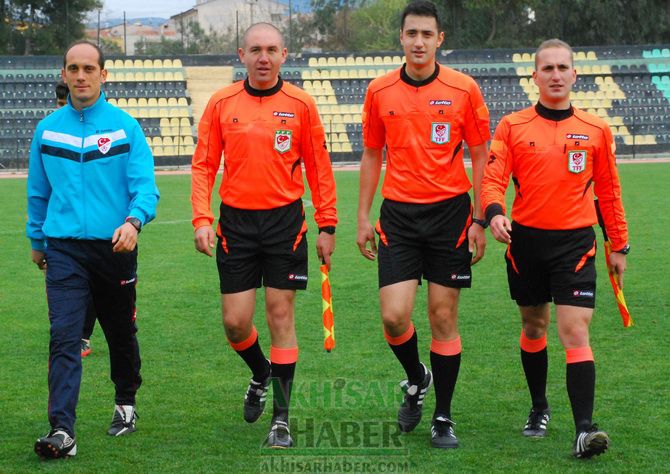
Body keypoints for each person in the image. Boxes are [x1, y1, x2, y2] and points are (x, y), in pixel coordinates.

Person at [191, 22, 337, 448]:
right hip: (235, 223)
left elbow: (319, 167)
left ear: (284, 55)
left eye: (271, 49)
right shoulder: (221, 103)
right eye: (255, 49)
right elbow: (203, 165)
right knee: (236, 324)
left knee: (280, 315)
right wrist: (202, 218)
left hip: (284, 225)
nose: (263, 57)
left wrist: (327, 223)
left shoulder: (302, 104)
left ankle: (281, 419)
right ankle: (260, 373)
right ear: (241, 54)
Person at [481, 39, 628, 459]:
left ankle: (584, 429)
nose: (556, 75)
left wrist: (619, 243)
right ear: (535, 76)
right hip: (524, 241)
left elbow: (610, 192)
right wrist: (494, 213)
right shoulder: (512, 126)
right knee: (534, 327)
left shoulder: (596, 129)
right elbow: (492, 180)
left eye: (564, 67)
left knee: (575, 331)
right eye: (548, 68)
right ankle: (539, 407)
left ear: (575, 74)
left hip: (576, 244)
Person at [356, 0, 490, 449]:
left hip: (450, 214)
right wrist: (362, 215)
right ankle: (416, 377)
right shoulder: (379, 91)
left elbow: (480, 153)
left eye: (426, 35)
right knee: (395, 317)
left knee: (442, 315)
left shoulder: (464, 89)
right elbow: (373, 153)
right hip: (398, 214)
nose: (418, 42)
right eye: (411, 33)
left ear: (439, 40)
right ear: (401, 37)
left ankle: (443, 417)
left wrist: (478, 216)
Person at [27, 40, 159, 459]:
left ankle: (126, 403)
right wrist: (37, 240)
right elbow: (38, 192)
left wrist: (133, 221)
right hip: (63, 249)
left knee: (120, 331)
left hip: (115, 248)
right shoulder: (47, 129)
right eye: (72, 68)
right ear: (63, 75)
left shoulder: (125, 127)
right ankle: (61, 430)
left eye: (88, 68)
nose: (80, 75)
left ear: (104, 75)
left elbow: (145, 188)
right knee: (64, 337)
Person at [55, 78, 97, 357]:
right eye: (58, 102)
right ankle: (70, 334)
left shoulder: (102, 126)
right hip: (61, 228)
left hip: (97, 227)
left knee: (94, 286)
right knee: (65, 287)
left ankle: (83, 334)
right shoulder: (51, 130)